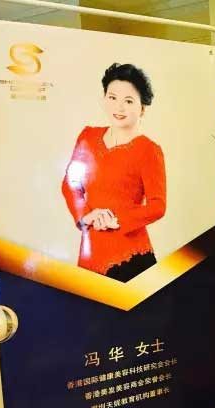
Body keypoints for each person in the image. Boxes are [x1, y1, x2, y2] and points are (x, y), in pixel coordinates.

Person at [62, 63, 167, 282]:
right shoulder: (87, 137)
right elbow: (70, 184)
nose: (119, 107)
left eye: (128, 101)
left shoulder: (148, 150)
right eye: (112, 98)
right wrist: (86, 216)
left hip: (131, 255)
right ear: (104, 99)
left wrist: (116, 220)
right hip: (91, 250)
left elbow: (157, 206)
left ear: (142, 108)